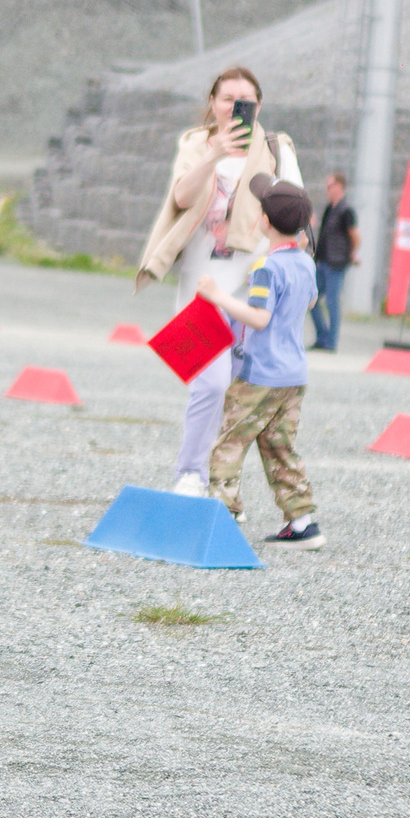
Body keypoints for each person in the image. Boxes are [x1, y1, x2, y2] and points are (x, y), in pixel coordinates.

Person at [135, 66, 299, 498]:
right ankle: (190, 474)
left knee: (241, 395)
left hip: (251, 288)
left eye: (245, 100)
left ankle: (225, 487)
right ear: (212, 102)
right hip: (199, 287)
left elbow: (295, 216)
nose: (235, 107)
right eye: (227, 98)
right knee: (208, 383)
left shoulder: (277, 149)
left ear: (259, 105)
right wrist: (214, 155)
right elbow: (181, 198)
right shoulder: (194, 143)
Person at [200, 178, 321, 548]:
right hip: (293, 375)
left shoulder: (266, 267)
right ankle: (302, 521)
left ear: (265, 221)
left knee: (229, 443)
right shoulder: (305, 263)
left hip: (260, 374)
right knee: (279, 446)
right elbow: (311, 303)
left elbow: (258, 317)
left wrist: (217, 296)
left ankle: (223, 515)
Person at [308, 171, 358, 352]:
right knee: (311, 299)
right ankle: (323, 337)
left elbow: (355, 236)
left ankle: (331, 342)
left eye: (330, 186)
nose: (327, 190)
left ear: (339, 186)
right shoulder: (331, 208)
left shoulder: (346, 211)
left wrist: (351, 254)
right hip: (323, 262)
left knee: (332, 302)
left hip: (336, 263)